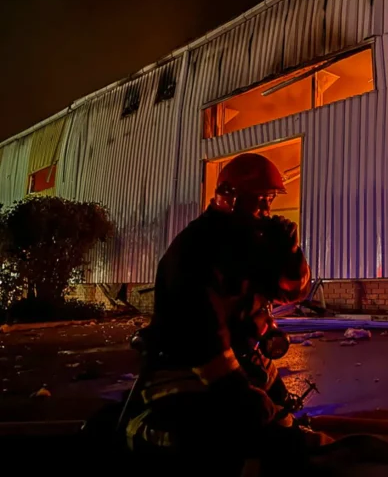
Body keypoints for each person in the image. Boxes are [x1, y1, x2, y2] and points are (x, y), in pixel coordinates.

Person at [123, 153, 330, 469]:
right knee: (227, 440)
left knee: (286, 425)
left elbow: (293, 290)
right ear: (230, 198)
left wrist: (289, 254)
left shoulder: (250, 242)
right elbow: (204, 336)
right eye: (259, 200)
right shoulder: (195, 248)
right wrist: (239, 394)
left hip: (244, 358)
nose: (266, 210)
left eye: (270, 201)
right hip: (187, 369)